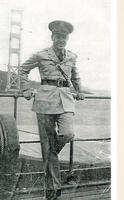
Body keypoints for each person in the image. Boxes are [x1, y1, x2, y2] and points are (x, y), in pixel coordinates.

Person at [19, 20, 85, 200]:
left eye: (64, 37)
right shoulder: (41, 55)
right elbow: (22, 70)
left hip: (65, 99)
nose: (61, 40)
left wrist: (79, 91)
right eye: (58, 36)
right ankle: (53, 189)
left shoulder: (71, 56)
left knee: (67, 134)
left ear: (67, 39)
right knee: (47, 145)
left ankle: (51, 153)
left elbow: (75, 75)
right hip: (45, 101)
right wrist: (25, 89)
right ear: (52, 37)